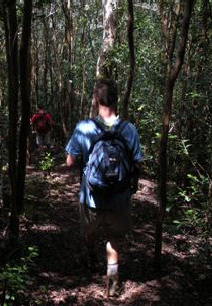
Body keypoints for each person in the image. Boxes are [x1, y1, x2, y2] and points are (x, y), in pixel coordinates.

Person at [65, 78, 142, 295]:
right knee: (114, 238)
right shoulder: (130, 130)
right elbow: (136, 162)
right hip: (119, 197)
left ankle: (90, 255)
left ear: (96, 100)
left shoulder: (84, 127)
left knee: (88, 232)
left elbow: (70, 162)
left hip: (91, 197)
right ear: (117, 100)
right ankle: (113, 284)